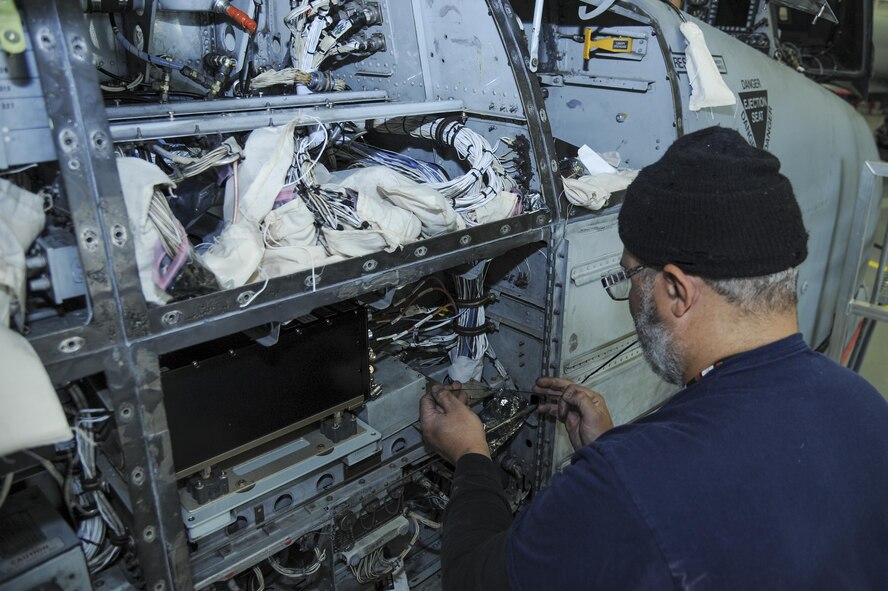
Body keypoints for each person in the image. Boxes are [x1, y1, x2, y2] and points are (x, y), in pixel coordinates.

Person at [419, 126, 888, 590]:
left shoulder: (624, 486)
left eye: (632, 275)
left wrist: (470, 457)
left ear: (677, 291)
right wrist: (613, 447)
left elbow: (472, 580)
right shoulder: (866, 407)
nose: (630, 292)